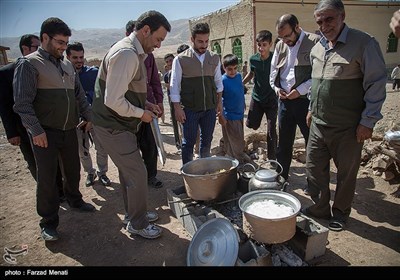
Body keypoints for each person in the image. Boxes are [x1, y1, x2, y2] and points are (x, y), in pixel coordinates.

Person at [303, 0, 386, 232]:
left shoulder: (364, 43)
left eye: (329, 19)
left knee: (346, 174)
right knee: (313, 168)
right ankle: (319, 208)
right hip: (319, 123)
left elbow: (377, 84)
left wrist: (367, 121)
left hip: (349, 127)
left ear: (342, 16)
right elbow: (315, 84)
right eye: (319, 21)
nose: (324, 25)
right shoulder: (317, 48)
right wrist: (311, 108)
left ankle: (340, 213)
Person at [13, 17, 96, 241]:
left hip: (69, 129)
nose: (63, 47)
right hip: (45, 133)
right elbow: (22, 104)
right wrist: (36, 130)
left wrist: (90, 117)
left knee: (72, 170)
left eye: (65, 43)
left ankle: (75, 200)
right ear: (44, 38)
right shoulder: (28, 64)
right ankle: (48, 221)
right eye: (59, 42)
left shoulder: (67, 65)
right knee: (48, 178)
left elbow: (79, 96)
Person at [92, 11, 171, 239]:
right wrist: (141, 114)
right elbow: (112, 100)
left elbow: (124, 90)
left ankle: (133, 213)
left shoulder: (136, 53)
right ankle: (137, 223)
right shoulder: (126, 54)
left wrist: (145, 103)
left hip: (120, 124)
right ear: (145, 30)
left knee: (130, 173)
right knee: (137, 172)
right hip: (112, 125)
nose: (158, 45)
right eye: (158, 39)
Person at [0, 34, 66, 201]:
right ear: (25, 49)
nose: (40, 50)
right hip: (24, 129)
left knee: (54, 162)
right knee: (35, 163)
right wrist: (11, 133)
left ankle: (60, 192)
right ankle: (48, 196)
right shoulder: (6, 73)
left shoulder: (45, 67)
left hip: (47, 126)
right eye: (36, 47)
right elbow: (5, 106)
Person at [270, 14, 320, 181]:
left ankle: (312, 183)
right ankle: (282, 178)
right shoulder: (280, 46)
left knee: (311, 143)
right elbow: (273, 73)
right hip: (284, 101)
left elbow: (320, 76)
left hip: (306, 102)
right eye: (281, 37)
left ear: (297, 27)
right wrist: (277, 89)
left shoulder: (315, 42)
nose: (284, 40)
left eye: (287, 36)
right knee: (283, 143)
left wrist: (300, 90)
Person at [170, 23, 223, 165]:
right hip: (190, 110)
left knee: (207, 142)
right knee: (188, 143)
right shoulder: (180, 60)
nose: (204, 45)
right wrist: (177, 108)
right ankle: (188, 176)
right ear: (191, 39)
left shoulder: (214, 58)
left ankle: (203, 171)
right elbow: (174, 86)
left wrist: (219, 103)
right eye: (200, 41)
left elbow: (218, 83)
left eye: (207, 41)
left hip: (209, 110)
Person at [125, 20, 164, 189]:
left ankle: (151, 176)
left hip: (147, 107)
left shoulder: (149, 56)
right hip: (127, 111)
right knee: (130, 148)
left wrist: (159, 101)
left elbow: (155, 80)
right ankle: (134, 180)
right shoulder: (123, 54)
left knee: (149, 144)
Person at [66, 42, 111, 187]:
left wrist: (91, 116)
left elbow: (101, 95)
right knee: (82, 149)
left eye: (81, 57)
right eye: (75, 57)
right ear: (67, 57)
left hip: (96, 118)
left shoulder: (93, 73)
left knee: (102, 147)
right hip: (76, 121)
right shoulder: (64, 74)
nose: (79, 60)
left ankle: (102, 173)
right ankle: (90, 173)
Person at [242, 30, 278, 162]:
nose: (261, 48)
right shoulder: (253, 59)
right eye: (259, 45)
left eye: (264, 45)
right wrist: (241, 83)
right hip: (257, 98)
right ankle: (254, 134)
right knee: (252, 125)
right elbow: (251, 74)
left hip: (271, 99)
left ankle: (272, 158)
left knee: (271, 129)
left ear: (270, 44)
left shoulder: (275, 58)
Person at [219, 54, 251, 164]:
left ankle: (234, 157)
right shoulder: (222, 80)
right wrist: (221, 114)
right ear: (224, 68)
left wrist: (243, 104)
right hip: (230, 115)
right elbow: (219, 99)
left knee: (237, 137)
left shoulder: (238, 76)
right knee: (235, 139)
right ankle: (238, 161)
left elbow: (240, 90)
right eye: (229, 69)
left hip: (239, 113)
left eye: (235, 68)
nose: (232, 71)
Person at [163, 52, 181, 151]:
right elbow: (169, 87)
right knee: (175, 121)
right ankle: (178, 143)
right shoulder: (167, 75)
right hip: (173, 101)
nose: (170, 62)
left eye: (171, 60)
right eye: (167, 61)